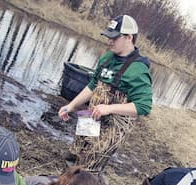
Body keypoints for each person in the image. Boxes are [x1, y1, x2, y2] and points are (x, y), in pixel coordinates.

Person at [58, 14, 152, 172]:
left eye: (115, 38)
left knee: (89, 166)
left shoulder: (138, 69)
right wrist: (71, 106)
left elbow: (144, 106)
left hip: (113, 126)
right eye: (109, 37)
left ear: (129, 37)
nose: (110, 41)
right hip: (91, 116)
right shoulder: (107, 57)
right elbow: (93, 85)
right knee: (75, 154)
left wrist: (109, 108)